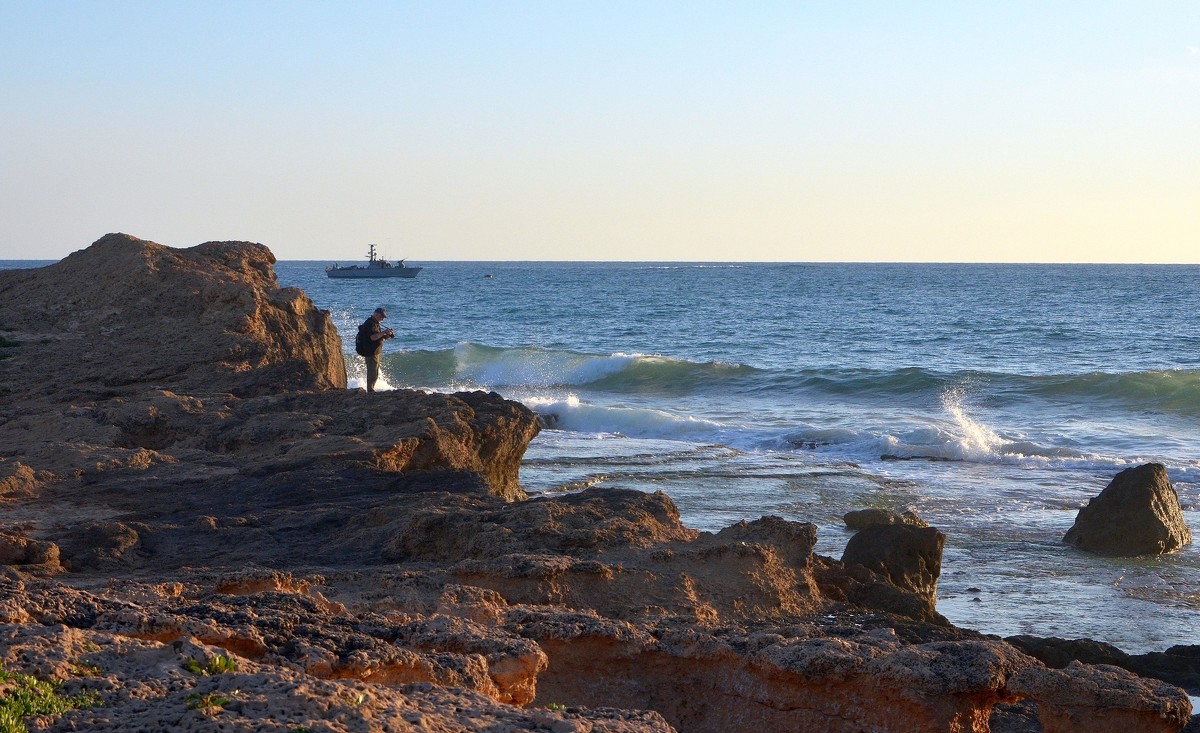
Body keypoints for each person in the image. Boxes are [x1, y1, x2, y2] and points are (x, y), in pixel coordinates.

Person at [357, 307, 394, 392]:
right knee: (372, 372)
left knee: (375, 371)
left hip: (375, 351)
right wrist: (384, 332)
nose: (383, 319)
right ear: (376, 314)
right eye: (382, 317)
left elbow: (377, 336)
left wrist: (386, 336)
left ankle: (371, 389)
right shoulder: (370, 323)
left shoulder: (375, 323)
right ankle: (370, 391)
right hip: (371, 352)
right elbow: (373, 337)